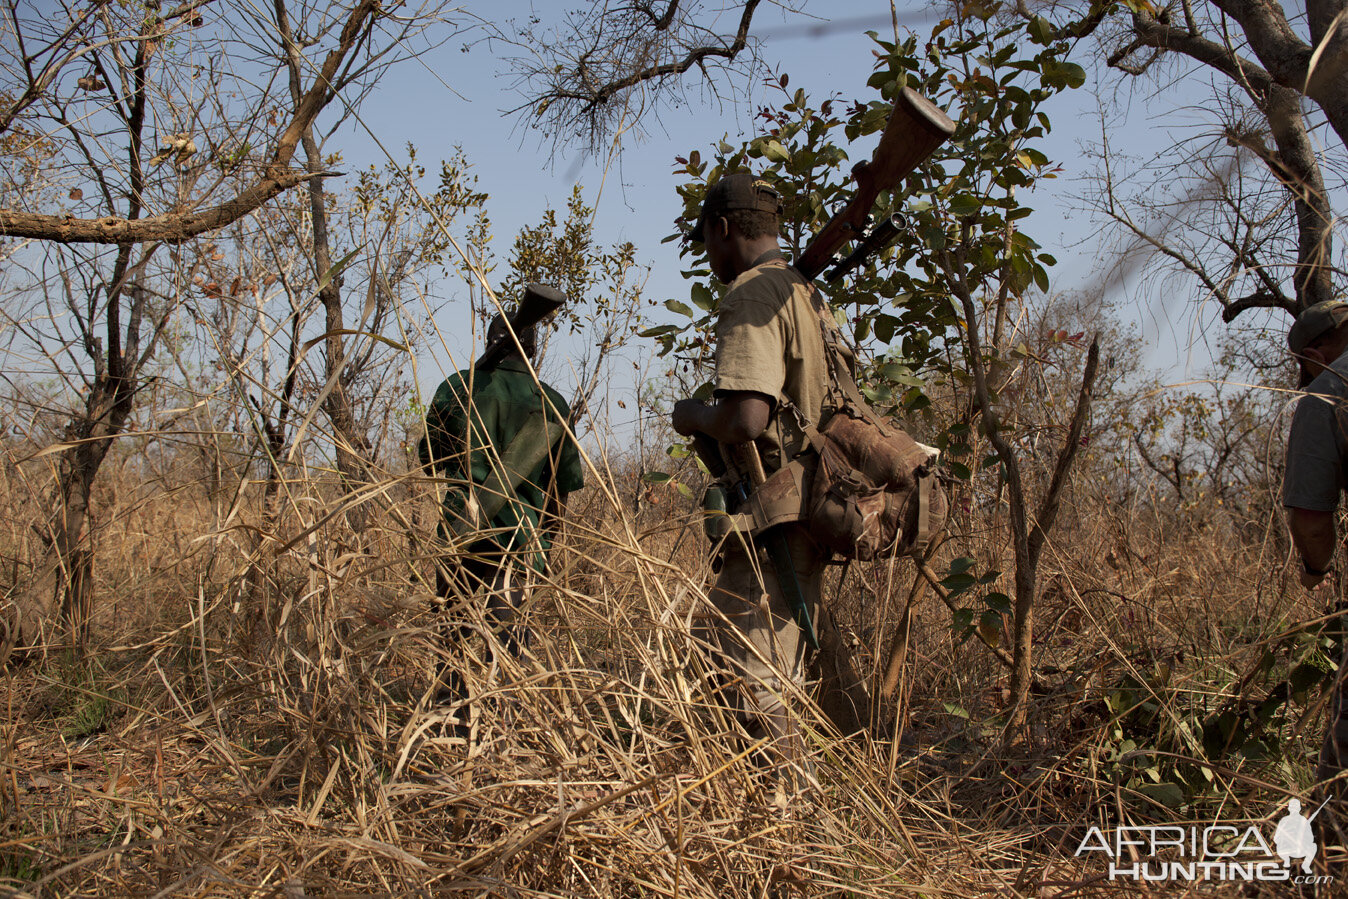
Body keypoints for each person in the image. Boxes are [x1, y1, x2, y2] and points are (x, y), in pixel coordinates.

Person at [672, 172, 833, 782]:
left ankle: (798, 830)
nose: (709, 255)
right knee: (753, 666)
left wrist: (692, 417)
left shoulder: (751, 293)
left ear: (722, 228)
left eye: (707, 240)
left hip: (774, 514)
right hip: (806, 506)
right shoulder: (804, 292)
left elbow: (745, 418)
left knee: (752, 682)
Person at [419, 313, 584, 720]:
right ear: (533, 349)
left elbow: (430, 460)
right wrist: (548, 538)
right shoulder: (552, 402)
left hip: (461, 534)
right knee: (508, 652)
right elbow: (560, 488)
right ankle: (500, 739)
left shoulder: (457, 388)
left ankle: (449, 729)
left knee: (451, 645)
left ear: (489, 341)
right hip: (521, 541)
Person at [1283, 299, 1348, 792]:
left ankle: (1331, 845)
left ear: (1316, 352)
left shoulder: (1327, 392)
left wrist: (1315, 569)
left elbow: (1310, 518)